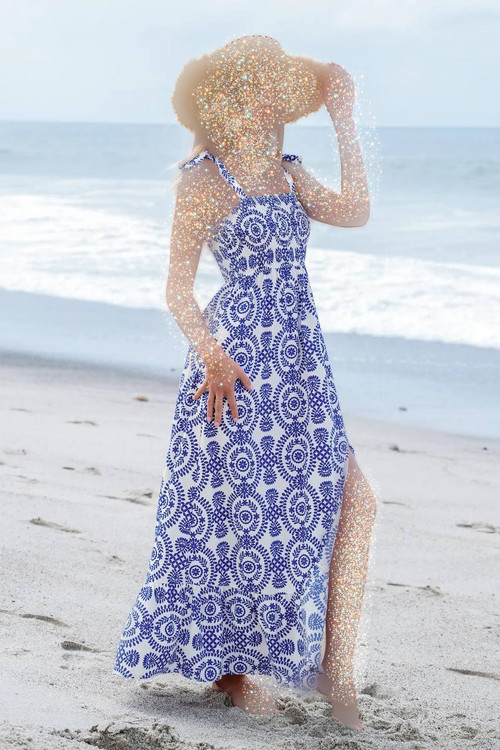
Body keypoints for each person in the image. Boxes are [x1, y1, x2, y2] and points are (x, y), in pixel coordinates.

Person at [113, 35, 378, 732]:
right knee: (232, 519)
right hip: (236, 370)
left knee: (354, 503)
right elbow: (177, 289)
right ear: (239, 94)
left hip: (302, 364)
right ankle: (230, 669)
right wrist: (212, 356)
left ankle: (336, 672)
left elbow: (356, 210)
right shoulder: (203, 179)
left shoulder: (290, 174)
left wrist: (344, 121)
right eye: (267, 79)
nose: (279, 90)